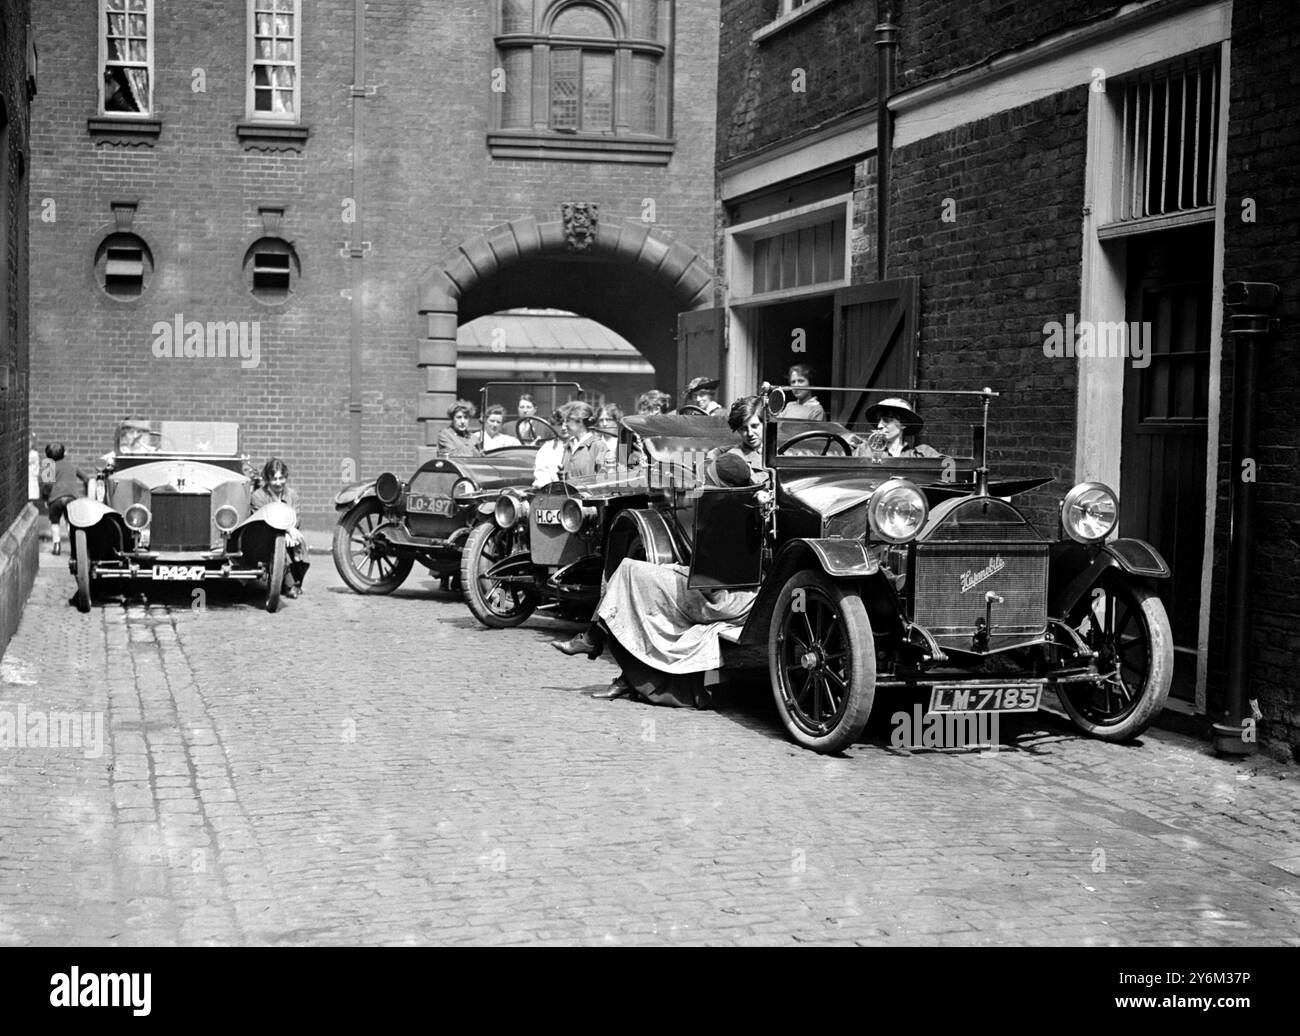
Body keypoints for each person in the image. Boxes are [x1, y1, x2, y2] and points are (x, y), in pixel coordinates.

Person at [552, 451, 759, 706]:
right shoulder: (752, 506)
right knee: (634, 575)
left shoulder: (720, 510)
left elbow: (707, 574)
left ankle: (595, 641)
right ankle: (603, 651)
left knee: (630, 573)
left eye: (711, 479)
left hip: (718, 599)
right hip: (735, 595)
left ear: (720, 485)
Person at [250, 457, 310, 598]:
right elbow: (264, 520)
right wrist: (287, 530)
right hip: (264, 537)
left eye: (281, 478)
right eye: (274, 479)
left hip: (289, 534)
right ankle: (289, 585)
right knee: (280, 545)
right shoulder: (258, 496)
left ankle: (296, 581)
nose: (278, 483)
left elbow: (296, 516)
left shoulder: (292, 495)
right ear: (267, 479)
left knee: (299, 543)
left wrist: (291, 530)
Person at [41, 443, 91, 556]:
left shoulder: (48, 466)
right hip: (71, 497)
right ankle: (74, 548)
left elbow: (47, 486)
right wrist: (86, 491)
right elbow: (86, 478)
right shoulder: (71, 465)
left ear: (48, 456)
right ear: (64, 453)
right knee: (71, 522)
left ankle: (57, 545)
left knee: (55, 522)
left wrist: (45, 498)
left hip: (55, 499)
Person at [706, 395, 768, 484]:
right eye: (743, 428)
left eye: (754, 426)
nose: (750, 433)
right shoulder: (734, 457)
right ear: (738, 430)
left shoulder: (779, 454)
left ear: (765, 424)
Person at [858, 397, 944, 458]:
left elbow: (951, 470)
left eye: (886, 420)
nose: (879, 426)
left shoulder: (921, 454)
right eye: (878, 421)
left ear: (903, 424)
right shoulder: (865, 450)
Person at [559, 401, 608, 477]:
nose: (564, 425)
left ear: (580, 421)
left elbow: (603, 481)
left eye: (568, 420)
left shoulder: (598, 446)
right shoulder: (569, 445)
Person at [532, 407, 569, 486]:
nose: (563, 428)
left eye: (566, 423)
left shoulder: (579, 445)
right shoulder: (546, 449)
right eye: (559, 424)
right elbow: (541, 477)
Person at [594, 403, 623, 470]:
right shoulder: (595, 443)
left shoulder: (624, 442)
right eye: (601, 420)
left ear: (617, 421)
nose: (604, 424)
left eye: (608, 420)